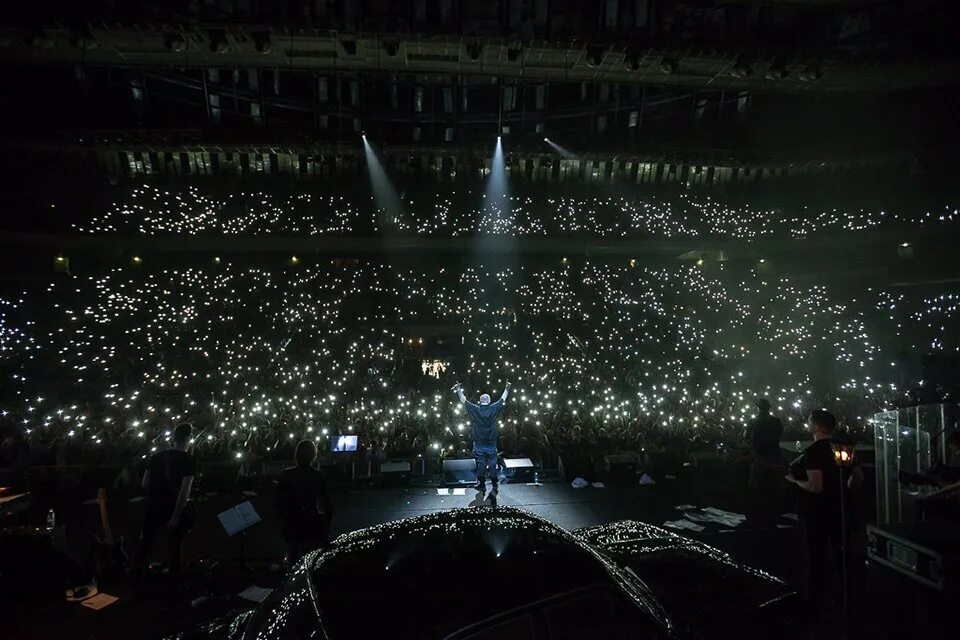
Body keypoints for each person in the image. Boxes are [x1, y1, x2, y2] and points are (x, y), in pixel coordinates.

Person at [785, 410, 863, 617]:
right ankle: (849, 598)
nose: (807, 425)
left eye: (809, 422)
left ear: (817, 427)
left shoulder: (814, 451)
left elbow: (815, 486)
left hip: (816, 512)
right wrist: (843, 488)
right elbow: (858, 477)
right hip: (841, 510)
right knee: (842, 554)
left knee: (815, 556)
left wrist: (794, 480)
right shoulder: (843, 447)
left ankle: (814, 605)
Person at [133, 423, 197, 589]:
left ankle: (136, 582)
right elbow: (184, 492)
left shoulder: (156, 457)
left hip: (153, 507)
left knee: (145, 545)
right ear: (189, 438)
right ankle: (174, 586)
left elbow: (145, 483)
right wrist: (175, 516)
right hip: (172, 508)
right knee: (174, 548)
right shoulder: (189, 460)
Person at [277, 440, 334, 565]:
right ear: (313, 456)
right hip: (311, 522)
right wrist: (326, 525)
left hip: (292, 523)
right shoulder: (317, 475)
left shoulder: (287, 474)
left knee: (293, 559)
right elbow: (328, 504)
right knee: (310, 560)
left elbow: (279, 502)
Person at [454, 381, 510, 493]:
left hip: (479, 442)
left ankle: (482, 484)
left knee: (481, 463)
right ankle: (494, 483)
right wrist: (507, 388)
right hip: (491, 442)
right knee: (492, 462)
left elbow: (463, 400)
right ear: (489, 401)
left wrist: (459, 389)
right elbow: (503, 398)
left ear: (480, 401)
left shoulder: (475, 409)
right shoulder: (493, 408)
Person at [744, 398, 784, 522]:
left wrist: (753, 445)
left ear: (757, 407)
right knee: (772, 485)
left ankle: (757, 515)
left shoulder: (753, 421)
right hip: (774, 455)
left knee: (757, 485)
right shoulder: (776, 421)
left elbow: (745, 436)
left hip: (759, 456)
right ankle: (773, 513)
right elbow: (780, 434)